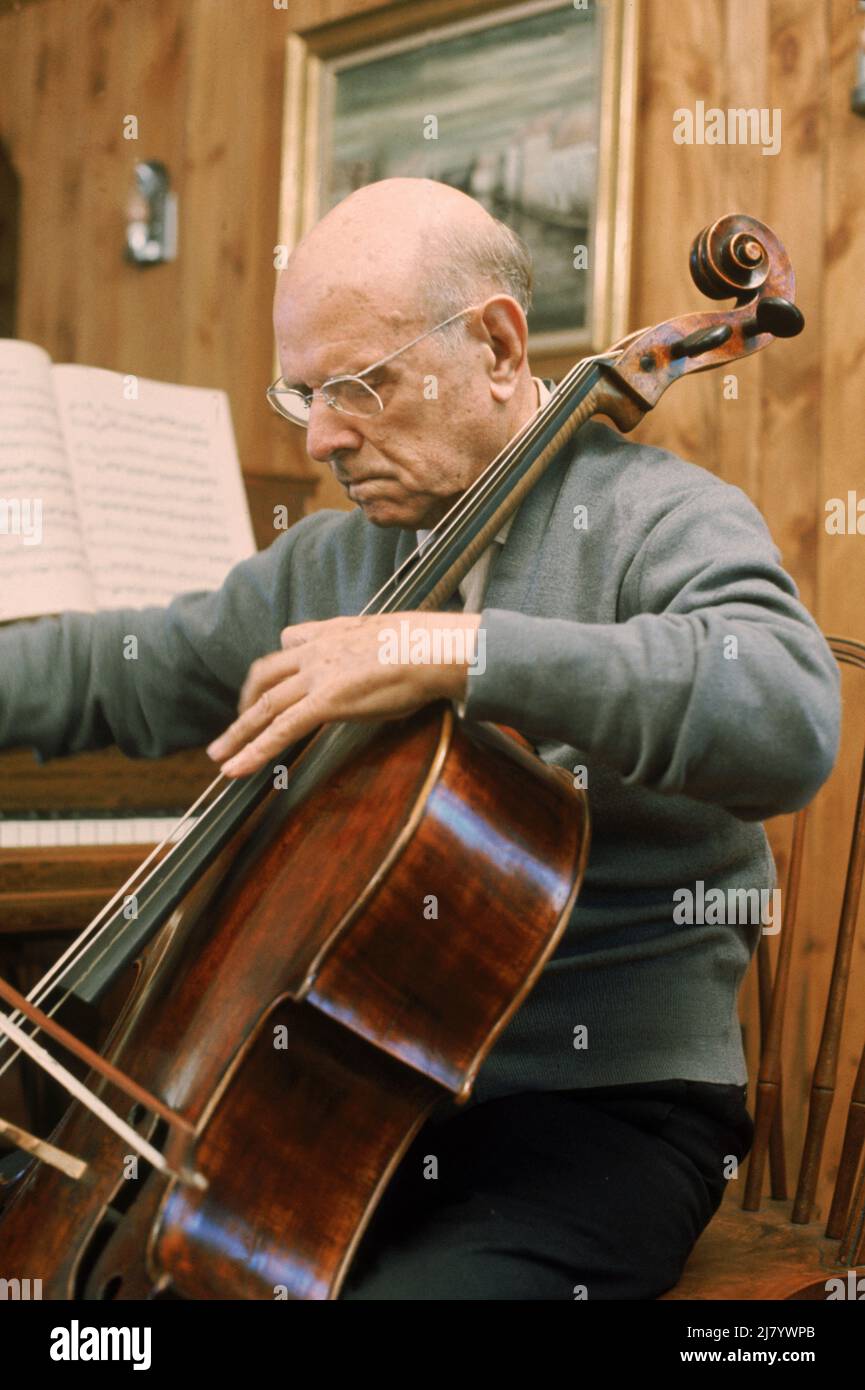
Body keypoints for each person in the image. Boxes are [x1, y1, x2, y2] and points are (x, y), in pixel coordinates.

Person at [0, 178, 840, 1299]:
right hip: (335, 1100)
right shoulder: (331, 563)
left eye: (356, 386)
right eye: (303, 395)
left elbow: (785, 713)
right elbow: (119, 668)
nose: (323, 439)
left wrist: (457, 651)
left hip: (594, 1120)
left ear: (497, 346)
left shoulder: (656, 520)